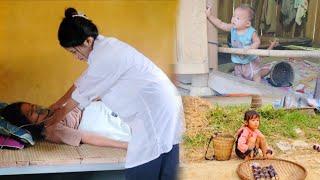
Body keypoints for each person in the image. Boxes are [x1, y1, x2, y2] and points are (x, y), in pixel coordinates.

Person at [48, 7, 184, 180]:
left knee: (144, 165)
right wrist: (58, 104)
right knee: (166, 161)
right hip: (165, 104)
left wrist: (51, 120)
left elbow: (79, 97)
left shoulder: (105, 57)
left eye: (74, 51)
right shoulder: (105, 47)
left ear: (88, 41)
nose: (75, 57)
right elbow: (82, 81)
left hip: (154, 113)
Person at [0, 101, 130, 149]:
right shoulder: (51, 129)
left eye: (33, 106)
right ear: (27, 125)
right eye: (31, 113)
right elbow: (85, 137)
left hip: (100, 108)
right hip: (96, 120)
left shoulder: (53, 109)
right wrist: (125, 146)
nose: (37, 109)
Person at [206, 4, 272, 82]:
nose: (234, 19)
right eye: (233, 16)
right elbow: (221, 24)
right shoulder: (232, 28)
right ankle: (240, 87)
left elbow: (257, 41)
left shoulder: (251, 32)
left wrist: (251, 48)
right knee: (238, 76)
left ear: (247, 23)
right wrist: (209, 16)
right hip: (238, 60)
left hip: (250, 61)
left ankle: (258, 89)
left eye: (238, 18)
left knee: (255, 75)